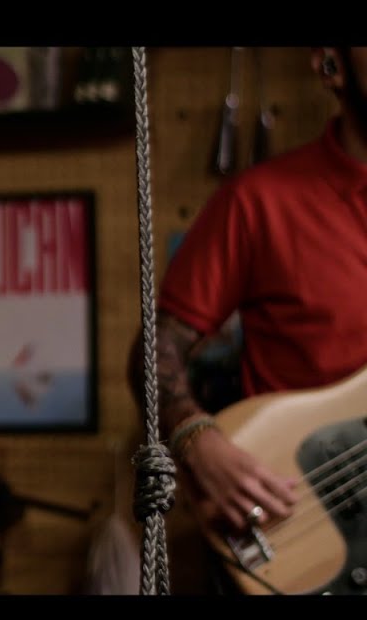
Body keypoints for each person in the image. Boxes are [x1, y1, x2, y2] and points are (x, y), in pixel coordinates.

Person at [132, 48, 366, 552]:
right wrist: (197, 439)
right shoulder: (258, 201)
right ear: (332, 64)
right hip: (300, 527)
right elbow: (153, 350)